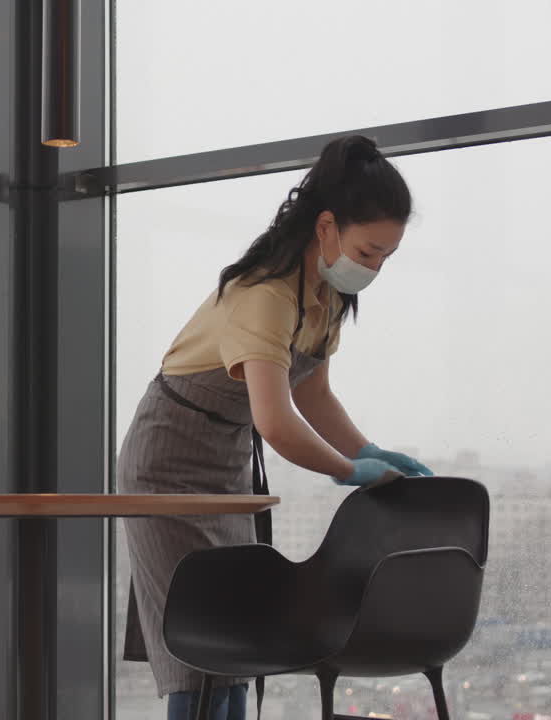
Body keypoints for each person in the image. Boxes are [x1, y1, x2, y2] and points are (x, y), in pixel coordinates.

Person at [119, 134, 433, 720]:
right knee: (195, 648)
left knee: (237, 642)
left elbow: (312, 392)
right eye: (367, 253)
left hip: (226, 459)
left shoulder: (328, 296)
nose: (374, 269)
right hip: (165, 462)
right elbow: (276, 418)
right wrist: (347, 470)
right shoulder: (265, 293)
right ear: (327, 228)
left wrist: (367, 448)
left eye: (385, 258)